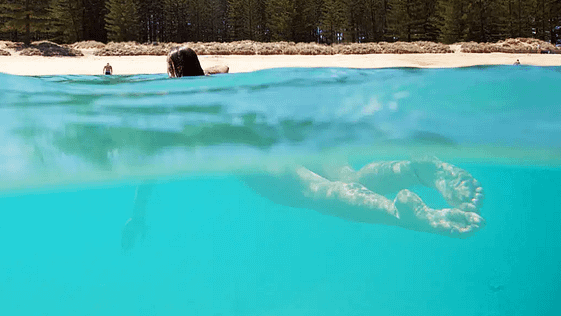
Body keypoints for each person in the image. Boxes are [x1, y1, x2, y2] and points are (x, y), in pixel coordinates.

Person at [122, 46, 485, 249]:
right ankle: (413, 170)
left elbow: (148, 170)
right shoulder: (216, 82)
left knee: (319, 193)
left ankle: (402, 214)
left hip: (259, 160)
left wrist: (137, 218)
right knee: (351, 175)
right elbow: (223, 65)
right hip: (294, 138)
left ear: (172, 75)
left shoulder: (174, 112)